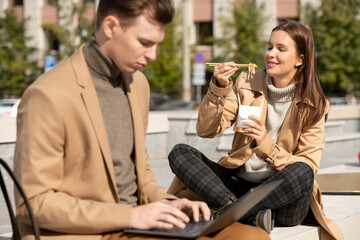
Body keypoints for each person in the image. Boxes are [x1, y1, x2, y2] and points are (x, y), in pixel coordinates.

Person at [13, 0, 269, 240]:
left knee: (253, 236)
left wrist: (169, 203)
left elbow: (140, 171)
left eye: (157, 43)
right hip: (90, 232)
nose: (153, 55)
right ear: (110, 26)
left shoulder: (138, 84)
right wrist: (131, 215)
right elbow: (34, 204)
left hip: (140, 224)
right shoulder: (47, 95)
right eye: (145, 42)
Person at [167, 20, 343, 240]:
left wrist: (265, 144)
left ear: (300, 59)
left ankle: (226, 213)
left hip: (282, 197)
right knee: (180, 152)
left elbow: (309, 164)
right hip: (236, 188)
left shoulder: (315, 104)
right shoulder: (247, 81)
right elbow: (207, 130)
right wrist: (218, 88)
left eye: (281, 49)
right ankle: (241, 212)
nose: (270, 54)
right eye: (269, 47)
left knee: (303, 172)